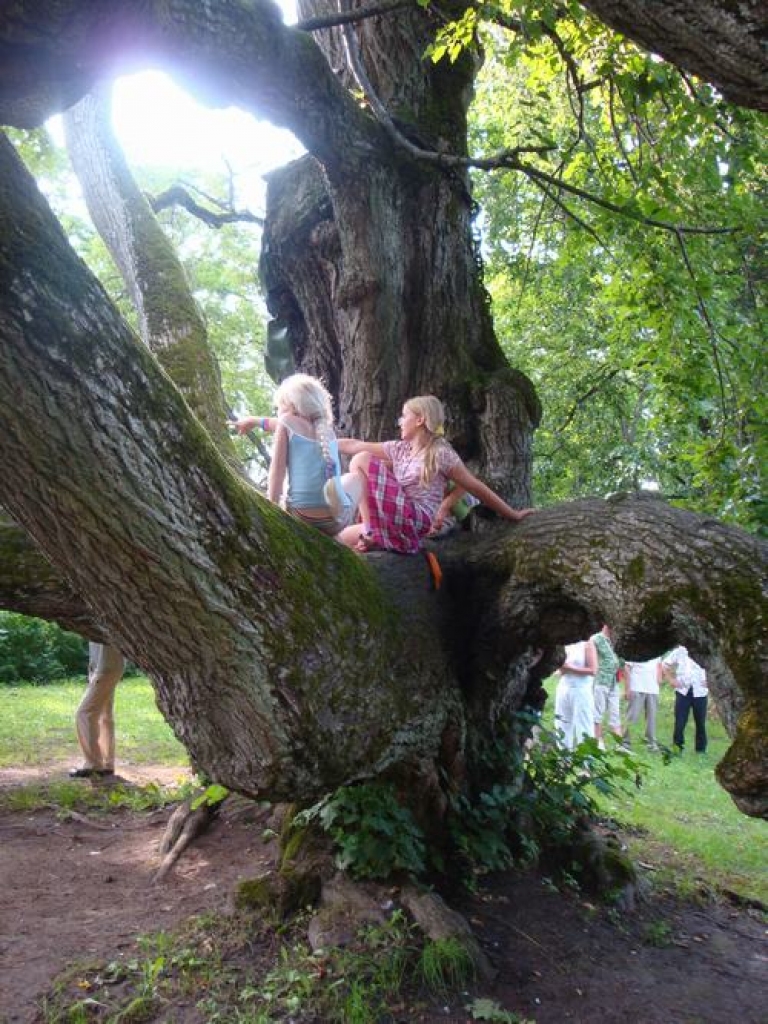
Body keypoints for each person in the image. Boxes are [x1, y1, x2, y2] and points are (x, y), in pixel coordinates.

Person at [335, 395, 535, 553]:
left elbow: (474, 486)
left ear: (420, 419)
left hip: (416, 521)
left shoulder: (441, 454)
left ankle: (371, 532)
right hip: (395, 519)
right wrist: (321, 443)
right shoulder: (400, 449)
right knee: (338, 538)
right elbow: (354, 444)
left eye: (404, 416)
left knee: (362, 459)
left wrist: (513, 514)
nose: (400, 422)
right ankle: (374, 535)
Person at [233, 374, 362, 538]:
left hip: (302, 514)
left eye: (279, 406)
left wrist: (270, 507)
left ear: (291, 405)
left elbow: (277, 472)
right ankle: (363, 531)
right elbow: (280, 424)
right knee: (355, 479)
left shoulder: (286, 421)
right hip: (335, 522)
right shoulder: (328, 434)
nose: (278, 411)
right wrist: (254, 421)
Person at [70, 643, 125, 779]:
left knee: (84, 713)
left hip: (105, 669)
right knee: (104, 716)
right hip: (106, 667)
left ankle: (93, 764)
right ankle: (106, 764)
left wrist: (98, 670)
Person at [662, 646, 709, 753]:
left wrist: (711, 681)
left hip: (700, 691)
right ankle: (677, 748)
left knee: (700, 722)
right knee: (680, 722)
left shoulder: (706, 649)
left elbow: (719, 667)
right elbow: (664, 665)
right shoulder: (680, 650)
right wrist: (671, 680)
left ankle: (701, 750)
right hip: (683, 691)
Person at [554, 638, 597, 750]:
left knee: (583, 726)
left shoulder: (587, 643)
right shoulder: (565, 644)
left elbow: (593, 670)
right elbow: (561, 669)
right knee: (561, 724)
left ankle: (587, 764)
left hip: (581, 689)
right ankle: (563, 760)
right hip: (564, 687)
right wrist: (561, 669)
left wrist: (570, 668)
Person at [590, 625, 625, 749]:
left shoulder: (614, 640)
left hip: (613, 681)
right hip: (601, 681)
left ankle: (620, 746)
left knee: (615, 713)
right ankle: (598, 742)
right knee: (598, 712)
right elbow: (594, 661)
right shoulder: (595, 639)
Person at [623, 656, 662, 751]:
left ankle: (651, 743)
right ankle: (625, 743)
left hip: (653, 689)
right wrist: (627, 688)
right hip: (637, 687)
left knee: (651, 718)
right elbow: (627, 668)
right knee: (632, 716)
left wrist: (659, 679)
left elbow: (659, 665)